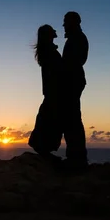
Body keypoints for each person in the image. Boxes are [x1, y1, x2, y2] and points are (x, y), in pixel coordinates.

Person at [28, 24, 63, 162]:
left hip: (52, 90)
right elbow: (55, 71)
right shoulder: (49, 52)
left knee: (48, 119)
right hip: (53, 91)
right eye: (52, 30)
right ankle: (43, 149)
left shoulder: (48, 51)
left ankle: (43, 149)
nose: (55, 31)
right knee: (50, 120)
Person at [61, 11, 89, 170]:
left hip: (73, 81)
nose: (63, 25)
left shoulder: (78, 38)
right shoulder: (75, 38)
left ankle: (77, 158)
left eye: (66, 21)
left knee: (72, 120)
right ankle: (75, 156)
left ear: (74, 22)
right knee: (71, 119)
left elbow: (75, 61)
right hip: (72, 80)